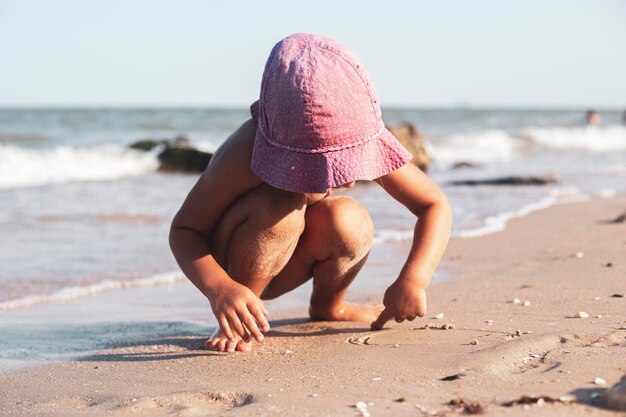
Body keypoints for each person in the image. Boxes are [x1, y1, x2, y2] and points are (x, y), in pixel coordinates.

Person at [169, 33, 452, 353]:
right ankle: (240, 318)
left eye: (346, 159)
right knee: (284, 204)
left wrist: (414, 279)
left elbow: (434, 204)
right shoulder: (245, 153)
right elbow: (185, 230)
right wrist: (220, 289)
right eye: (320, 163)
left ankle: (330, 305)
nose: (342, 179)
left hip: (291, 258)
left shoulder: (357, 127)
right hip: (237, 261)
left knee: (349, 219)